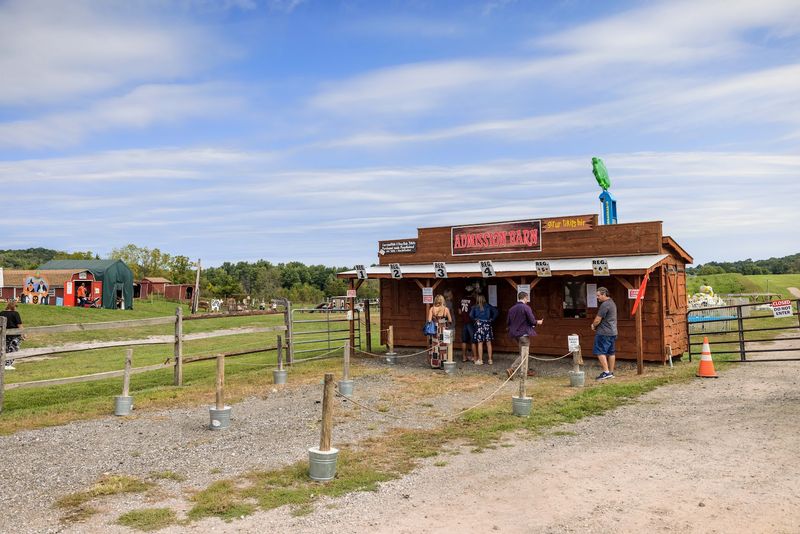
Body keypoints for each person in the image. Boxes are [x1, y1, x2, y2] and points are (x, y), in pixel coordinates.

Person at [506, 291, 543, 378]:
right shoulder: (526, 308)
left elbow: (508, 322)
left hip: (515, 334)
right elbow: (532, 320)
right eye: (527, 298)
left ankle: (525, 371)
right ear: (525, 298)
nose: (528, 300)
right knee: (524, 354)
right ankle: (512, 369)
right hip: (524, 334)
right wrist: (538, 322)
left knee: (522, 353)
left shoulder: (511, 309)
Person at [591, 286, 618, 380]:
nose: (597, 297)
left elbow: (598, 319)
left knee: (600, 351)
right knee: (611, 352)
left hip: (604, 332)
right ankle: (610, 372)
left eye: (598, 295)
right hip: (613, 332)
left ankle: (606, 372)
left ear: (604, 294)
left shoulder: (605, 305)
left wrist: (593, 325)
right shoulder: (612, 303)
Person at [469, 294, 498, 365]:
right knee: (488, 343)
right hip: (487, 324)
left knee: (480, 343)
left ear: (477, 300)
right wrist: (492, 319)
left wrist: (475, 319)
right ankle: (490, 360)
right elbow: (496, 312)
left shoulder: (475, 307)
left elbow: (470, 315)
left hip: (479, 325)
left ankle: (480, 360)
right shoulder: (488, 306)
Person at [427, 294, 452, 360]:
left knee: (435, 345)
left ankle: (435, 363)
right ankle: (443, 362)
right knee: (443, 346)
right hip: (443, 330)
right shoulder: (446, 309)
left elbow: (429, 320)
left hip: (434, 330)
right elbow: (450, 320)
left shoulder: (432, 309)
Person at [1, 300, 23, 370]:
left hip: (4, 335)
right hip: (14, 335)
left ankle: (3, 364)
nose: (16, 308)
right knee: (14, 348)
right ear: (13, 306)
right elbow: (19, 325)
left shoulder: (1, 313)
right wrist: (23, 334)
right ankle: (8, 364)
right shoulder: (15, 313)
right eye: (16, 306)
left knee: (4, 349)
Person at [458, 294, 474, 362]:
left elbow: (459, 312)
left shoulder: (461, 299)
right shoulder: (473, 300)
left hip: (464, 322)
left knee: (464, 341)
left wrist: (464, 315)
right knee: (473, 341)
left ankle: (464, 357)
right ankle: (474, 357)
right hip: (471, 322)